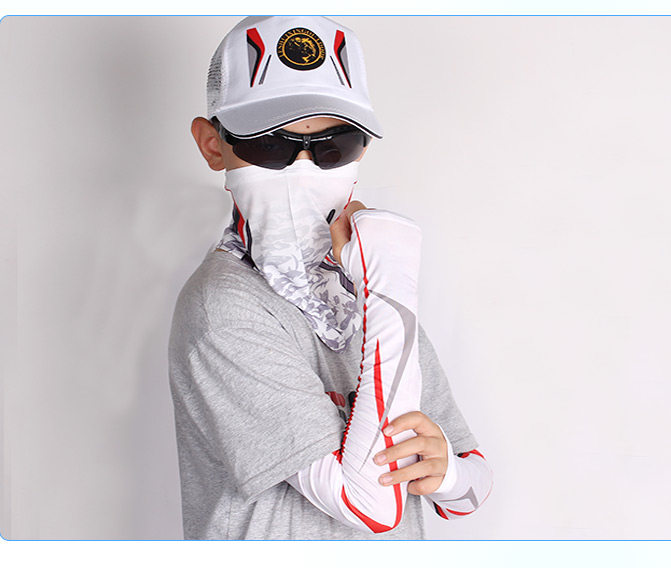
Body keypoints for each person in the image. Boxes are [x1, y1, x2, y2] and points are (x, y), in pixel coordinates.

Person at [168, 15, 493, 540]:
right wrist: (390, 287)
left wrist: (447, 472)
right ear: (213, 145)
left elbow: (471, 489)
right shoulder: (224, 308)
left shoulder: (366, 285)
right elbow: (371, 506)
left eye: (333, 145)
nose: (303, 169)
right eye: (269, 144)